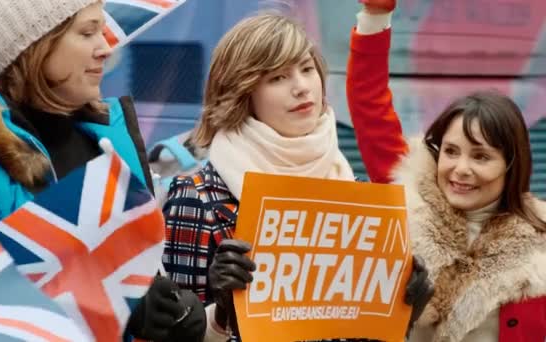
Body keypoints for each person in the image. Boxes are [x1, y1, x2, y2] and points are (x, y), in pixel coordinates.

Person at [0, 0, 206, 340]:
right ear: (32, 45)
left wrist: (173, 314)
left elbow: (134, 275)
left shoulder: (108, 142)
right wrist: (111, 309)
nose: (105, 48)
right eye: (87, 32)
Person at [162, 12, 433, 341]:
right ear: (241, 93)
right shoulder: (198, 199)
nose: (302, 87)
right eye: (277, 78)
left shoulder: (355, 193)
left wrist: (402, 315)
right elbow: (170, 334)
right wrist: (219, 312)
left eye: (307, 69)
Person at [346, 1, 546, 341]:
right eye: (451, 151)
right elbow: (368, 101)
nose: (460, 169)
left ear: (511, 166)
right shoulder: (407, 198)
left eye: (481, 157)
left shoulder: (538, 245)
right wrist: (376, 16)